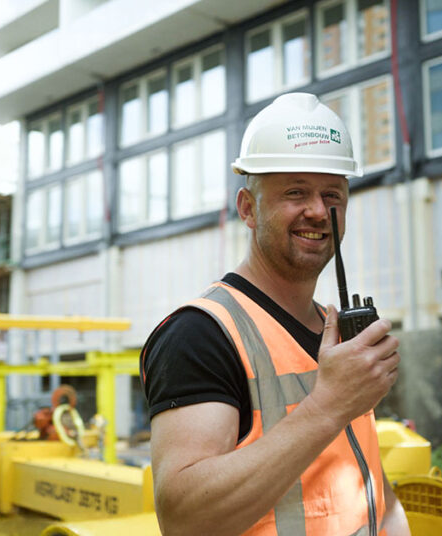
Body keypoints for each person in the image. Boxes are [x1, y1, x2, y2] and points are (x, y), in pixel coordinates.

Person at [140, 92, 410, 536]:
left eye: (332, 195)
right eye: (295, 192)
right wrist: (329, 405)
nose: (318, 211)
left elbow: (362, 476)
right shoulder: (201, 333)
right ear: (248, 208)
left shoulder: (338, 332)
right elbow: (185, 518)